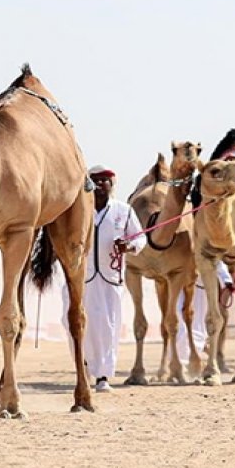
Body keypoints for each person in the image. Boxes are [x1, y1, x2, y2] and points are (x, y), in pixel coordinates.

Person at [63, 165, 146, 393]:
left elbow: (140, 238)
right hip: (79, 277)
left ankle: (103, 375)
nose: (100, 185)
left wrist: (129, 246)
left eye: (104, 180)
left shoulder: (123, 211)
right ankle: (83, 367)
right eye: (95, 180)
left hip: (110, 278)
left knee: (107, 326)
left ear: (112, 184)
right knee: (75, 323)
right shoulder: (76, 209)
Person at [175, 261, 235, 365]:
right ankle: (182, 359)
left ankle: (192, 357)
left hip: (200, 287)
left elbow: (215, 259)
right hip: (178, 283)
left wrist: (226, 281)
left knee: (198, 325)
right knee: (179, 317)